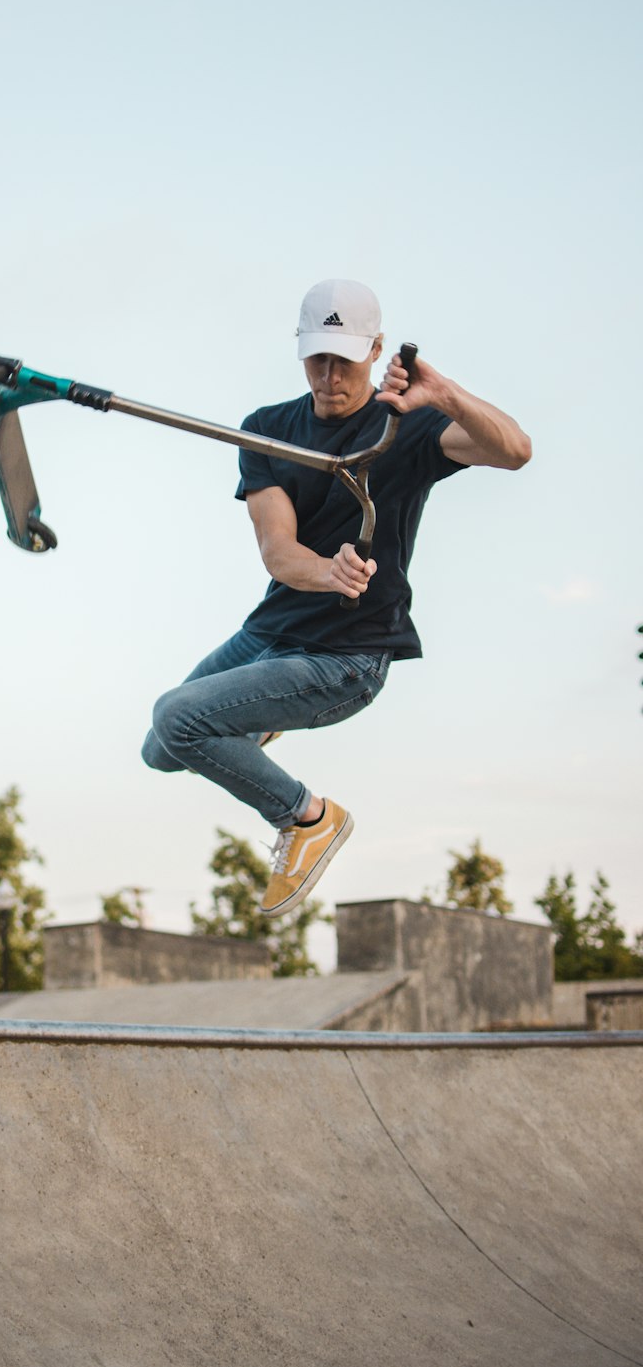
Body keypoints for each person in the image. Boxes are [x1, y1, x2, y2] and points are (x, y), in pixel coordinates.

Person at [142, 277, 531, 919]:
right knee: (162, 748)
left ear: (376, 350)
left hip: (346, 656)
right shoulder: (267, 431)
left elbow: (516, 451)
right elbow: (278, 551)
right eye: (317, 357)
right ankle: (261, 718)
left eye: (344, 360)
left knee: (178, 716)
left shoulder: (407, 428)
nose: (329, 376)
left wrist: (446, 395)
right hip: (272, 633)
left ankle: (307, 818)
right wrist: (329, 571)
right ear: (299, 351)